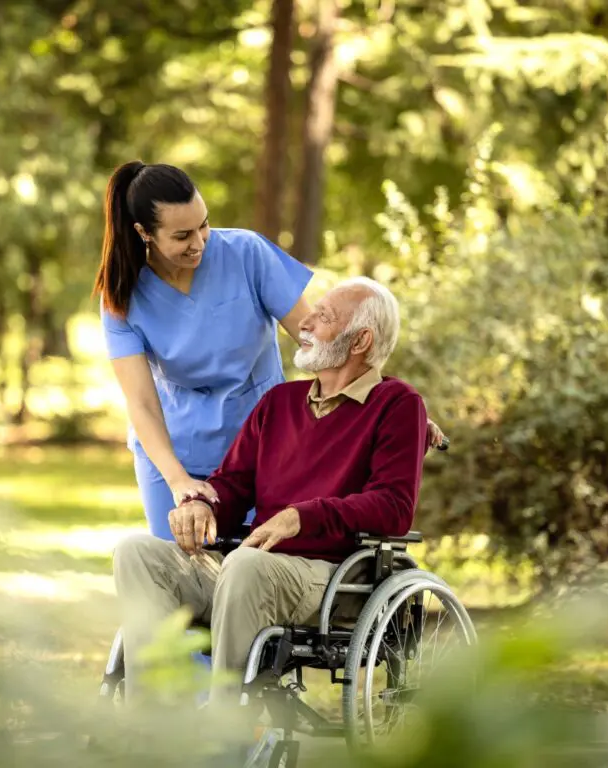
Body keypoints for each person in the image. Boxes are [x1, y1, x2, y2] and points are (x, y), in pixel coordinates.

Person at [113, 277, 430, 709]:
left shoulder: (397, 404)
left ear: (361, 340)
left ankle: (223, 735)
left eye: (324, 317)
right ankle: (148, 730)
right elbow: (234, 484)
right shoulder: (279, 402)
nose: (306, 323)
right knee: (137, 552)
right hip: (252, 569)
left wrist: (303, 516)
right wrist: (202, 505)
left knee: (245, 565)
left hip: (334, 580)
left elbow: (394, 508)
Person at [96, 161, 445, 542]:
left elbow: (320, 338)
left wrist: (386, 408)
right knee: (176, 575)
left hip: (258, 450)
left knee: (252, 567)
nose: (198, 243)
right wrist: (179, 480)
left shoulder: (247, 254)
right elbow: (142, 403)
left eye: (204, 225)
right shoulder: (121, 295)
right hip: (172, 451)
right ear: (143, 232)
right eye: (182, 235)